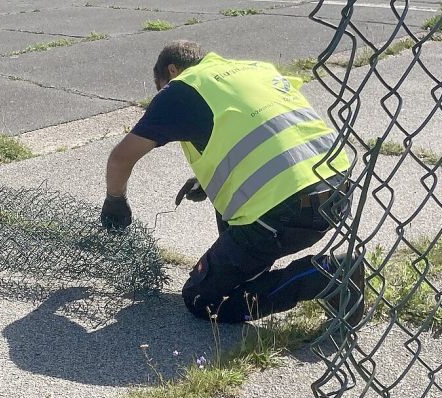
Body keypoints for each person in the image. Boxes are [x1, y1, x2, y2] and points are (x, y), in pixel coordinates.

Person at [101, 40, 365, 325]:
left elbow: (120, 159)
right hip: (338, 190)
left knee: (204, 301)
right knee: (227, 211)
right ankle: (250, 270)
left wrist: (115, 201)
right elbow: (269, 131)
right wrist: (213, 176)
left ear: (172, 70)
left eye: (160, 85)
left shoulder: (181, 89)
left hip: (285, 212)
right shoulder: (254, 69)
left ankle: (326, 276)